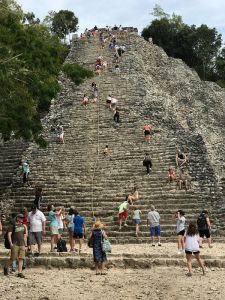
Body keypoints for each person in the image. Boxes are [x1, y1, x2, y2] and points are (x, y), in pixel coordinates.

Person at [4, 214, 28, 278]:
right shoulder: (13, 225)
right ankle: (6, 267)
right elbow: (9, 235)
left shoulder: (24, 226)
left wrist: (25, 245)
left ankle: (19, 272)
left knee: (21, 258)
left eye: (22, 218)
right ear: (17, 218)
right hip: (15, 244)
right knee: (13, 258)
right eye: (20, 218)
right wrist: (11, 243)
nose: (22, 219)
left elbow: (25, 236)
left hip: (22, 244)